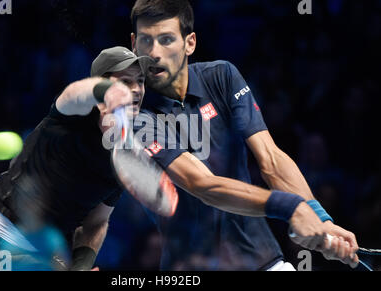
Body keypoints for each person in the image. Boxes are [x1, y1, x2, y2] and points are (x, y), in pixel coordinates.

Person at [129, 0, 359, 270]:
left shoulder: (222, 76)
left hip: (264, 260)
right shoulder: (136, 116)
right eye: (145, 41)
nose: (154, 52)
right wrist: (290, 207)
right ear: (134, 43)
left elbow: (270, 159)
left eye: (166, 40)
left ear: (189, 43)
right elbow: (203, 186)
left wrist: (322, 222)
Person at [0, 46, 150, 271]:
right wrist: (106, 92)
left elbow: (96, 222)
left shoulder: (122, 157)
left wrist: (81, 266)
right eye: (125, 81)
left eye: (140, 81)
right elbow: (75, 92)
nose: (136, 89)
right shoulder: (71, 115)